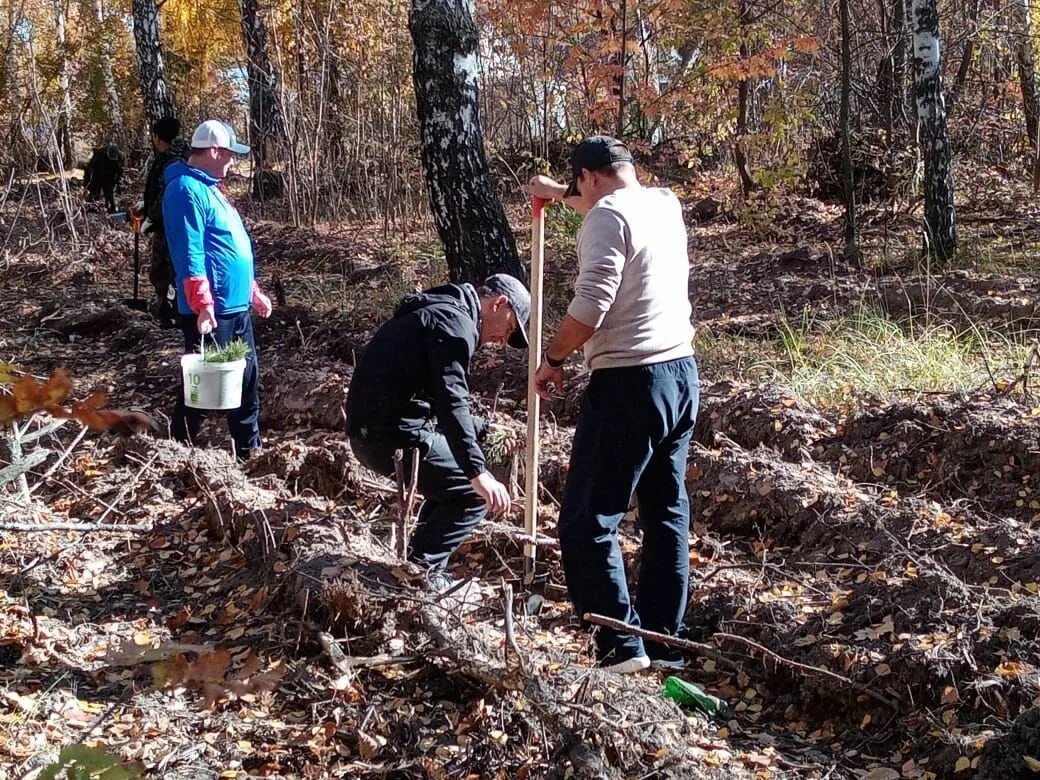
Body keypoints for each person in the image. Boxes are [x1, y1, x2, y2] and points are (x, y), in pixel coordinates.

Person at [526, 135, 699, 674]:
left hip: (629, 381)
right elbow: (603, 204)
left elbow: (592, 303)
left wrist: (553, 358)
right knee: (665, 514)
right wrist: (558, 194)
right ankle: (663, 641)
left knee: (586, 519)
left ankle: (621, 650)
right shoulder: (663, 204)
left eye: (578, 184)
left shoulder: (604, 219)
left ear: (589, 177)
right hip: (680, 376)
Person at [345, 274, 530, 580]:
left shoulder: (443, 311)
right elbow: (451, 403)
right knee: (471, 494)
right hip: (388, 435)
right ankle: (425, 573)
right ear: (499, 303)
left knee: (449, 483)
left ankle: (417, 566)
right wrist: (478, 473)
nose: (500, 341)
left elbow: (433, 399)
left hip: (373, 430)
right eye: (508, 328)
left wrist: (484, 429)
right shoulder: (454, 324)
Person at [162, 120, 273, 461]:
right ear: (213, 151)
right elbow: (189, 252)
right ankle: (173, 450)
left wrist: (252, 291)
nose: (231, 162)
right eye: (228, 154)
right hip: (212, 311)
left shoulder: (211, 188)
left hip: (235, 305)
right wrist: (202, 303)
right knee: (204, 390)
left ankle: (249, 451)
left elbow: (228, 248)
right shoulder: (184, 189)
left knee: (247, 381)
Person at [142, 116, 189, 327]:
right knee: (163, 272)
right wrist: (145, 205)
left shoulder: (174, 161)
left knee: (167, 272)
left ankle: (175, 315)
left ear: (158, 138)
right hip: (168, 224)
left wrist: (151, 217)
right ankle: (169, 312)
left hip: (171, 226)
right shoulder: (172, 157)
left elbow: (166, 194)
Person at [83, 143, 123, 213]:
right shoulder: (99, 155)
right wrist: (86, 183)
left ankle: (111, 208)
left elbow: (119, 171)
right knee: (95, 192)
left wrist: (119, 184)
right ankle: (92, 208)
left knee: (109, 192)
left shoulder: (120, 157)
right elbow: (89, 170)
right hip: (97, 174)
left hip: (110, 175)